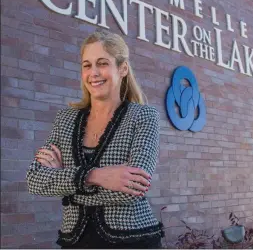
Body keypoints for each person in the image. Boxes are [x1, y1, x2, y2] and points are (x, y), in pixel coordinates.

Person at [26, 30, 163, 249]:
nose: (94, 73)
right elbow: (35, 180)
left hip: (132, 240)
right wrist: (96, 175)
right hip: (75, 241)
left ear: (122, 68)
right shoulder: (65, 120)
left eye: (102, 63)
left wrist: (64, 179)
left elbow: (134, 187)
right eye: (87, 65)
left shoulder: (144, 117)